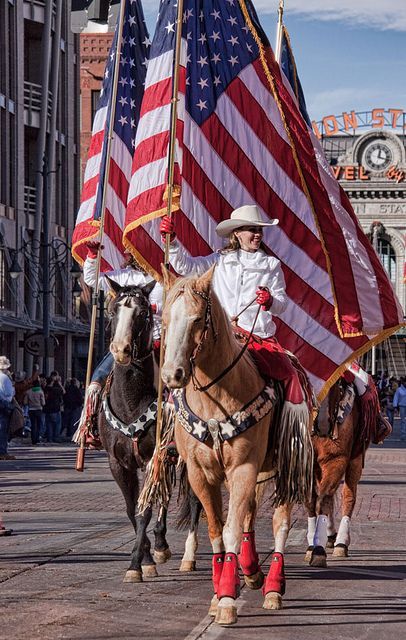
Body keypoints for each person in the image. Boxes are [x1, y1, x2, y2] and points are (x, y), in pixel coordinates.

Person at [160, 204, 312, 426]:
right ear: (237, 234)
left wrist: (270, 301)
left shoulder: (271, 265)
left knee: (290, 375)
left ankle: (290, 432)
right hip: (222, 335)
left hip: (257, 336)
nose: (257, 234)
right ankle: (173, 432)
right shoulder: (219, 260)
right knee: (182, 371)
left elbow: (282, 304)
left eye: (259, 230)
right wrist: (172, 243)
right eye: (252, 229)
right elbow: (186, 266)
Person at [77, 241, 163, 447]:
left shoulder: (161, 279)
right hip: (124, 340)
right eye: (135, 252)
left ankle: (176, 428)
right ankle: (91, 426)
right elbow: (91, 278)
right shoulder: (121, 276)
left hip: (158, 339)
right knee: (96, 381)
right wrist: (92, 255)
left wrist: (152, 307)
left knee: (177, 383)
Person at [0, 356, 16, 460]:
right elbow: (10, 393)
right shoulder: (5, 378)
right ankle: (2, 451)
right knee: (3, 429)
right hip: (3, 403)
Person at [44, 371, 65, 443]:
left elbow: (47, 388)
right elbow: (64, 392)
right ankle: (56, 437)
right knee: (57, 424)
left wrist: (52, 381)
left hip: (48, 408)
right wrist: (59, 383)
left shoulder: (47, 387)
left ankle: (50, 438)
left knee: (49, 424)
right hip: (55, 408)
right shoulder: (57, 388)